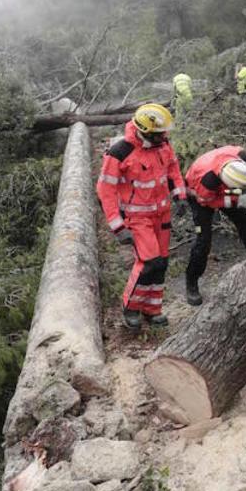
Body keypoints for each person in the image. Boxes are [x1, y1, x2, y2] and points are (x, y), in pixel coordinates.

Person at [95, 103, 188, 329]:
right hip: (137, 218)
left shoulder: (163, 145)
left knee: (161, 263)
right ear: (145, 130)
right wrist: (117, 226)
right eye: (159, 133)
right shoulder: (120, 152)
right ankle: (131, 307)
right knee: (148, 262)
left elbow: (173, 170)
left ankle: (152, 309)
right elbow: (105, 190)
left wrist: (180, 195)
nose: (164, 137)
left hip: (162, 214)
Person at [184, 145, 246, 305]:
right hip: (199, 196)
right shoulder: (208, 181)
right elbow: (208, 201)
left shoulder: (243, 157)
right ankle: (192, 282)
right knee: (203, 241)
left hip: (226, 187)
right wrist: (237, 200)